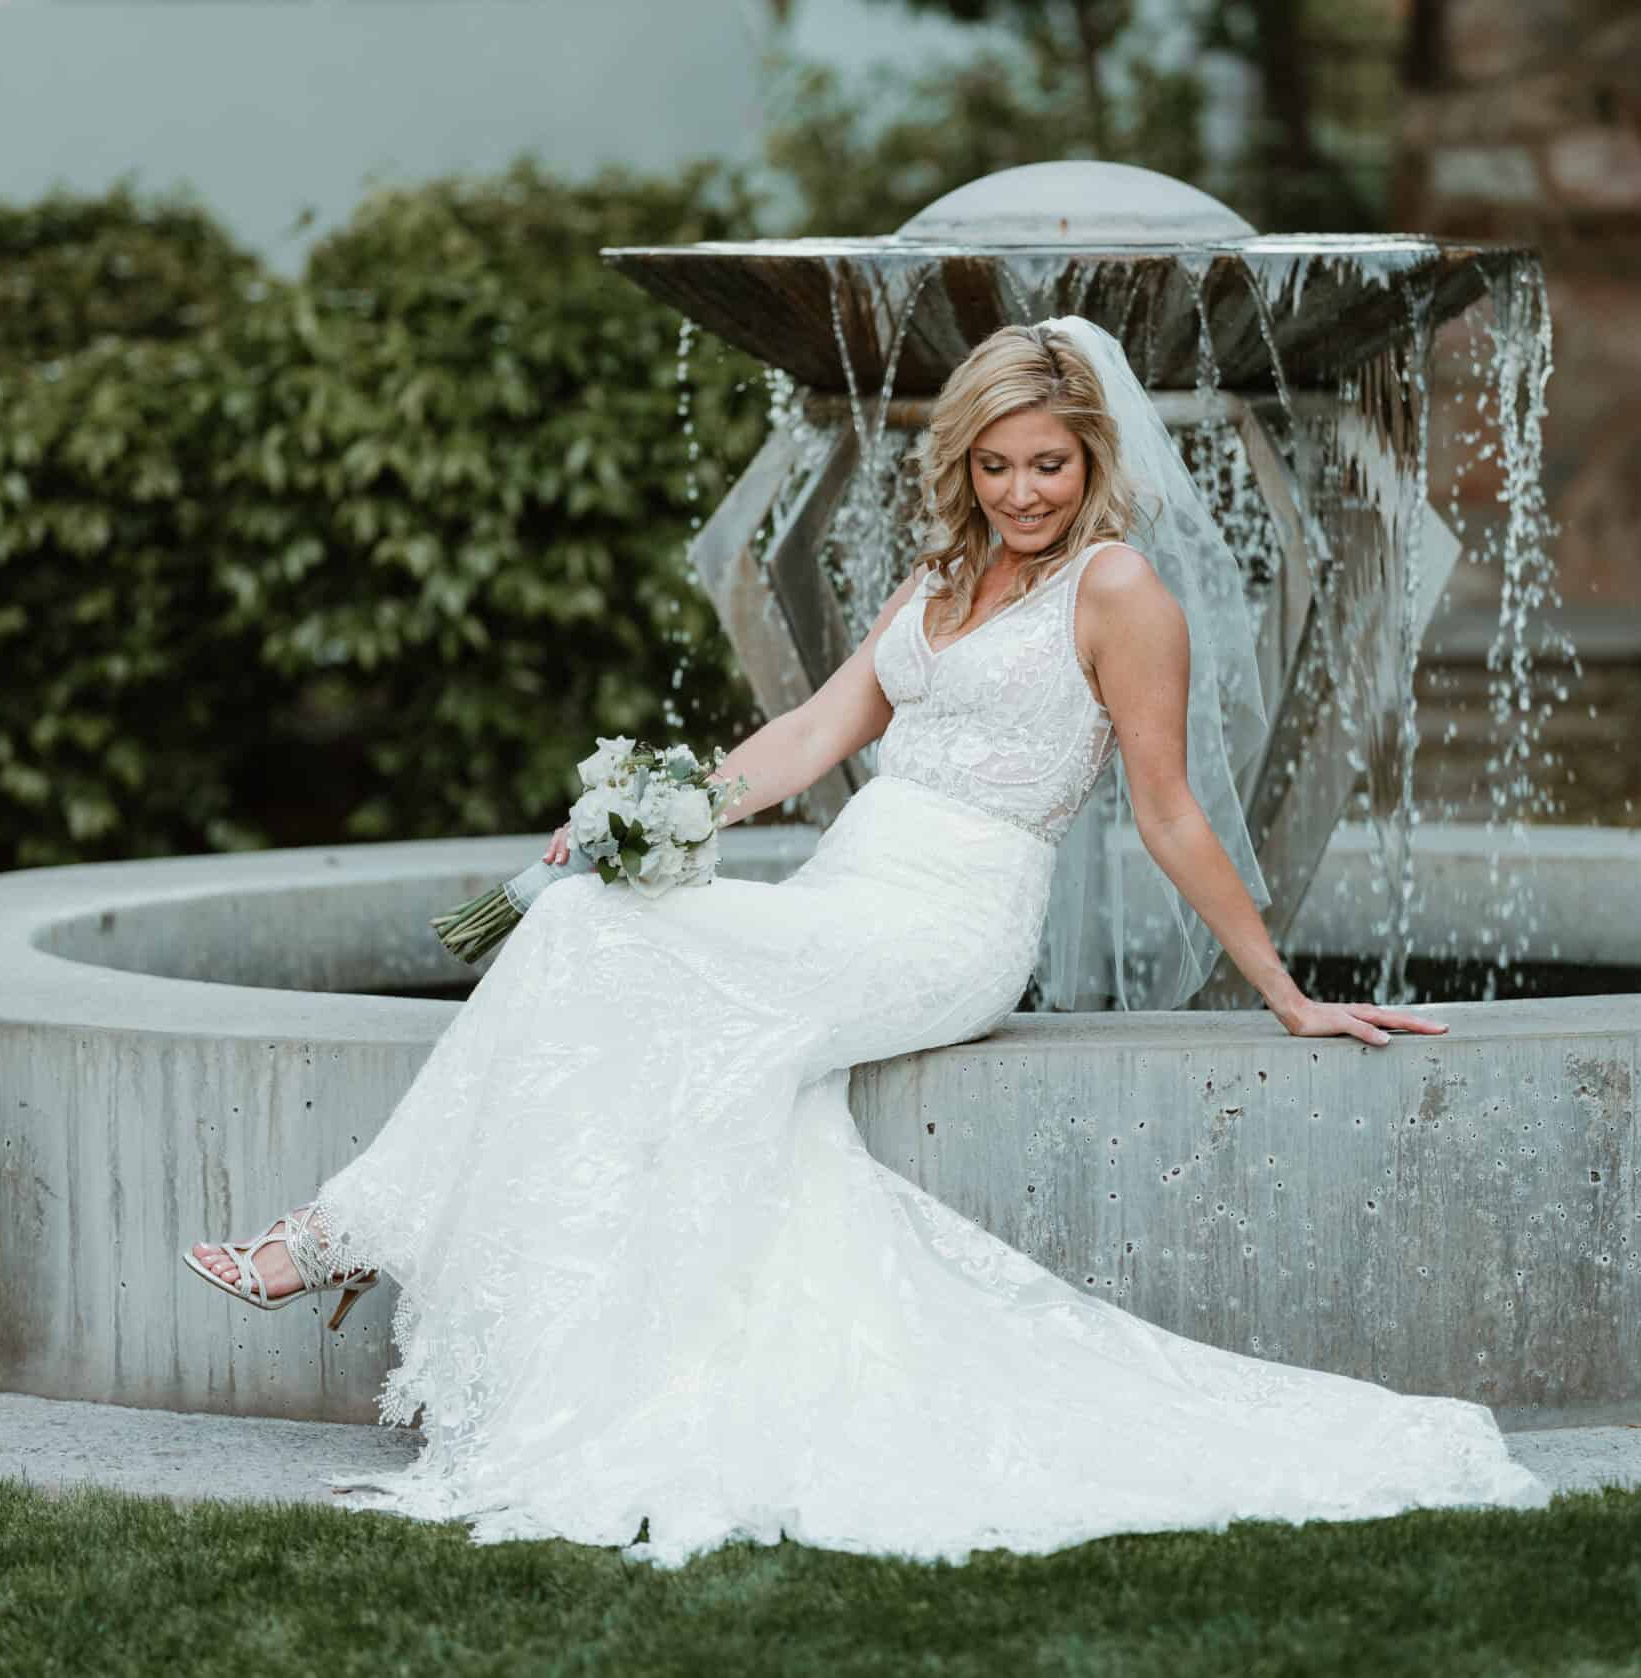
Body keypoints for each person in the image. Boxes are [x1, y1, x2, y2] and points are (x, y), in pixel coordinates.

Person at [183, 317, 1547, 1566]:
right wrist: (650, 810)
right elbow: (812, 736)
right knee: (598, 924)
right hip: (849, 888)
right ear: (966, 463)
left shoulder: (1118, 590)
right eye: (1001, 465)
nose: (1025, 493)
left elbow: (1173, 807)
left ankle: (345, 1235)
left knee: (596, 941)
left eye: (1052, 466)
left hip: (951, 920)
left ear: (1092, 462)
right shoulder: (938, 577)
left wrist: (1285, 990)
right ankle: (375, 1240)